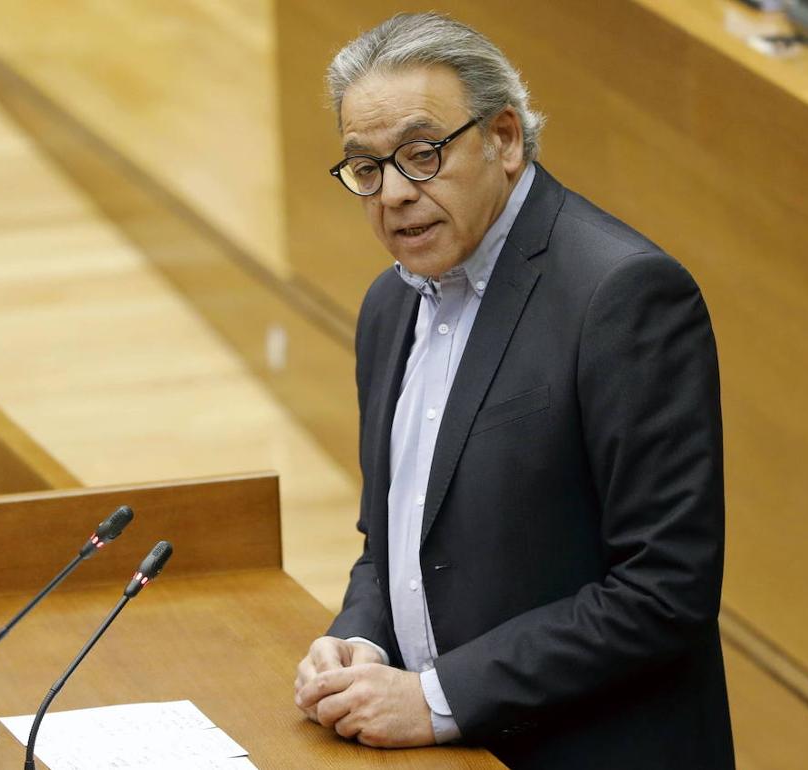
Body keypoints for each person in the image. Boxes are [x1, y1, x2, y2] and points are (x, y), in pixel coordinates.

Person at [293, 12, 734, 769]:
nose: (393, 194)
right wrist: (359, 641)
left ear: (503, 138)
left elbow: (663, 593)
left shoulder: (623, 298)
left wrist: (435, 697)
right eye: (366, 168)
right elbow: (393, 540)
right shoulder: (389, 306)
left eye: (421, 154)